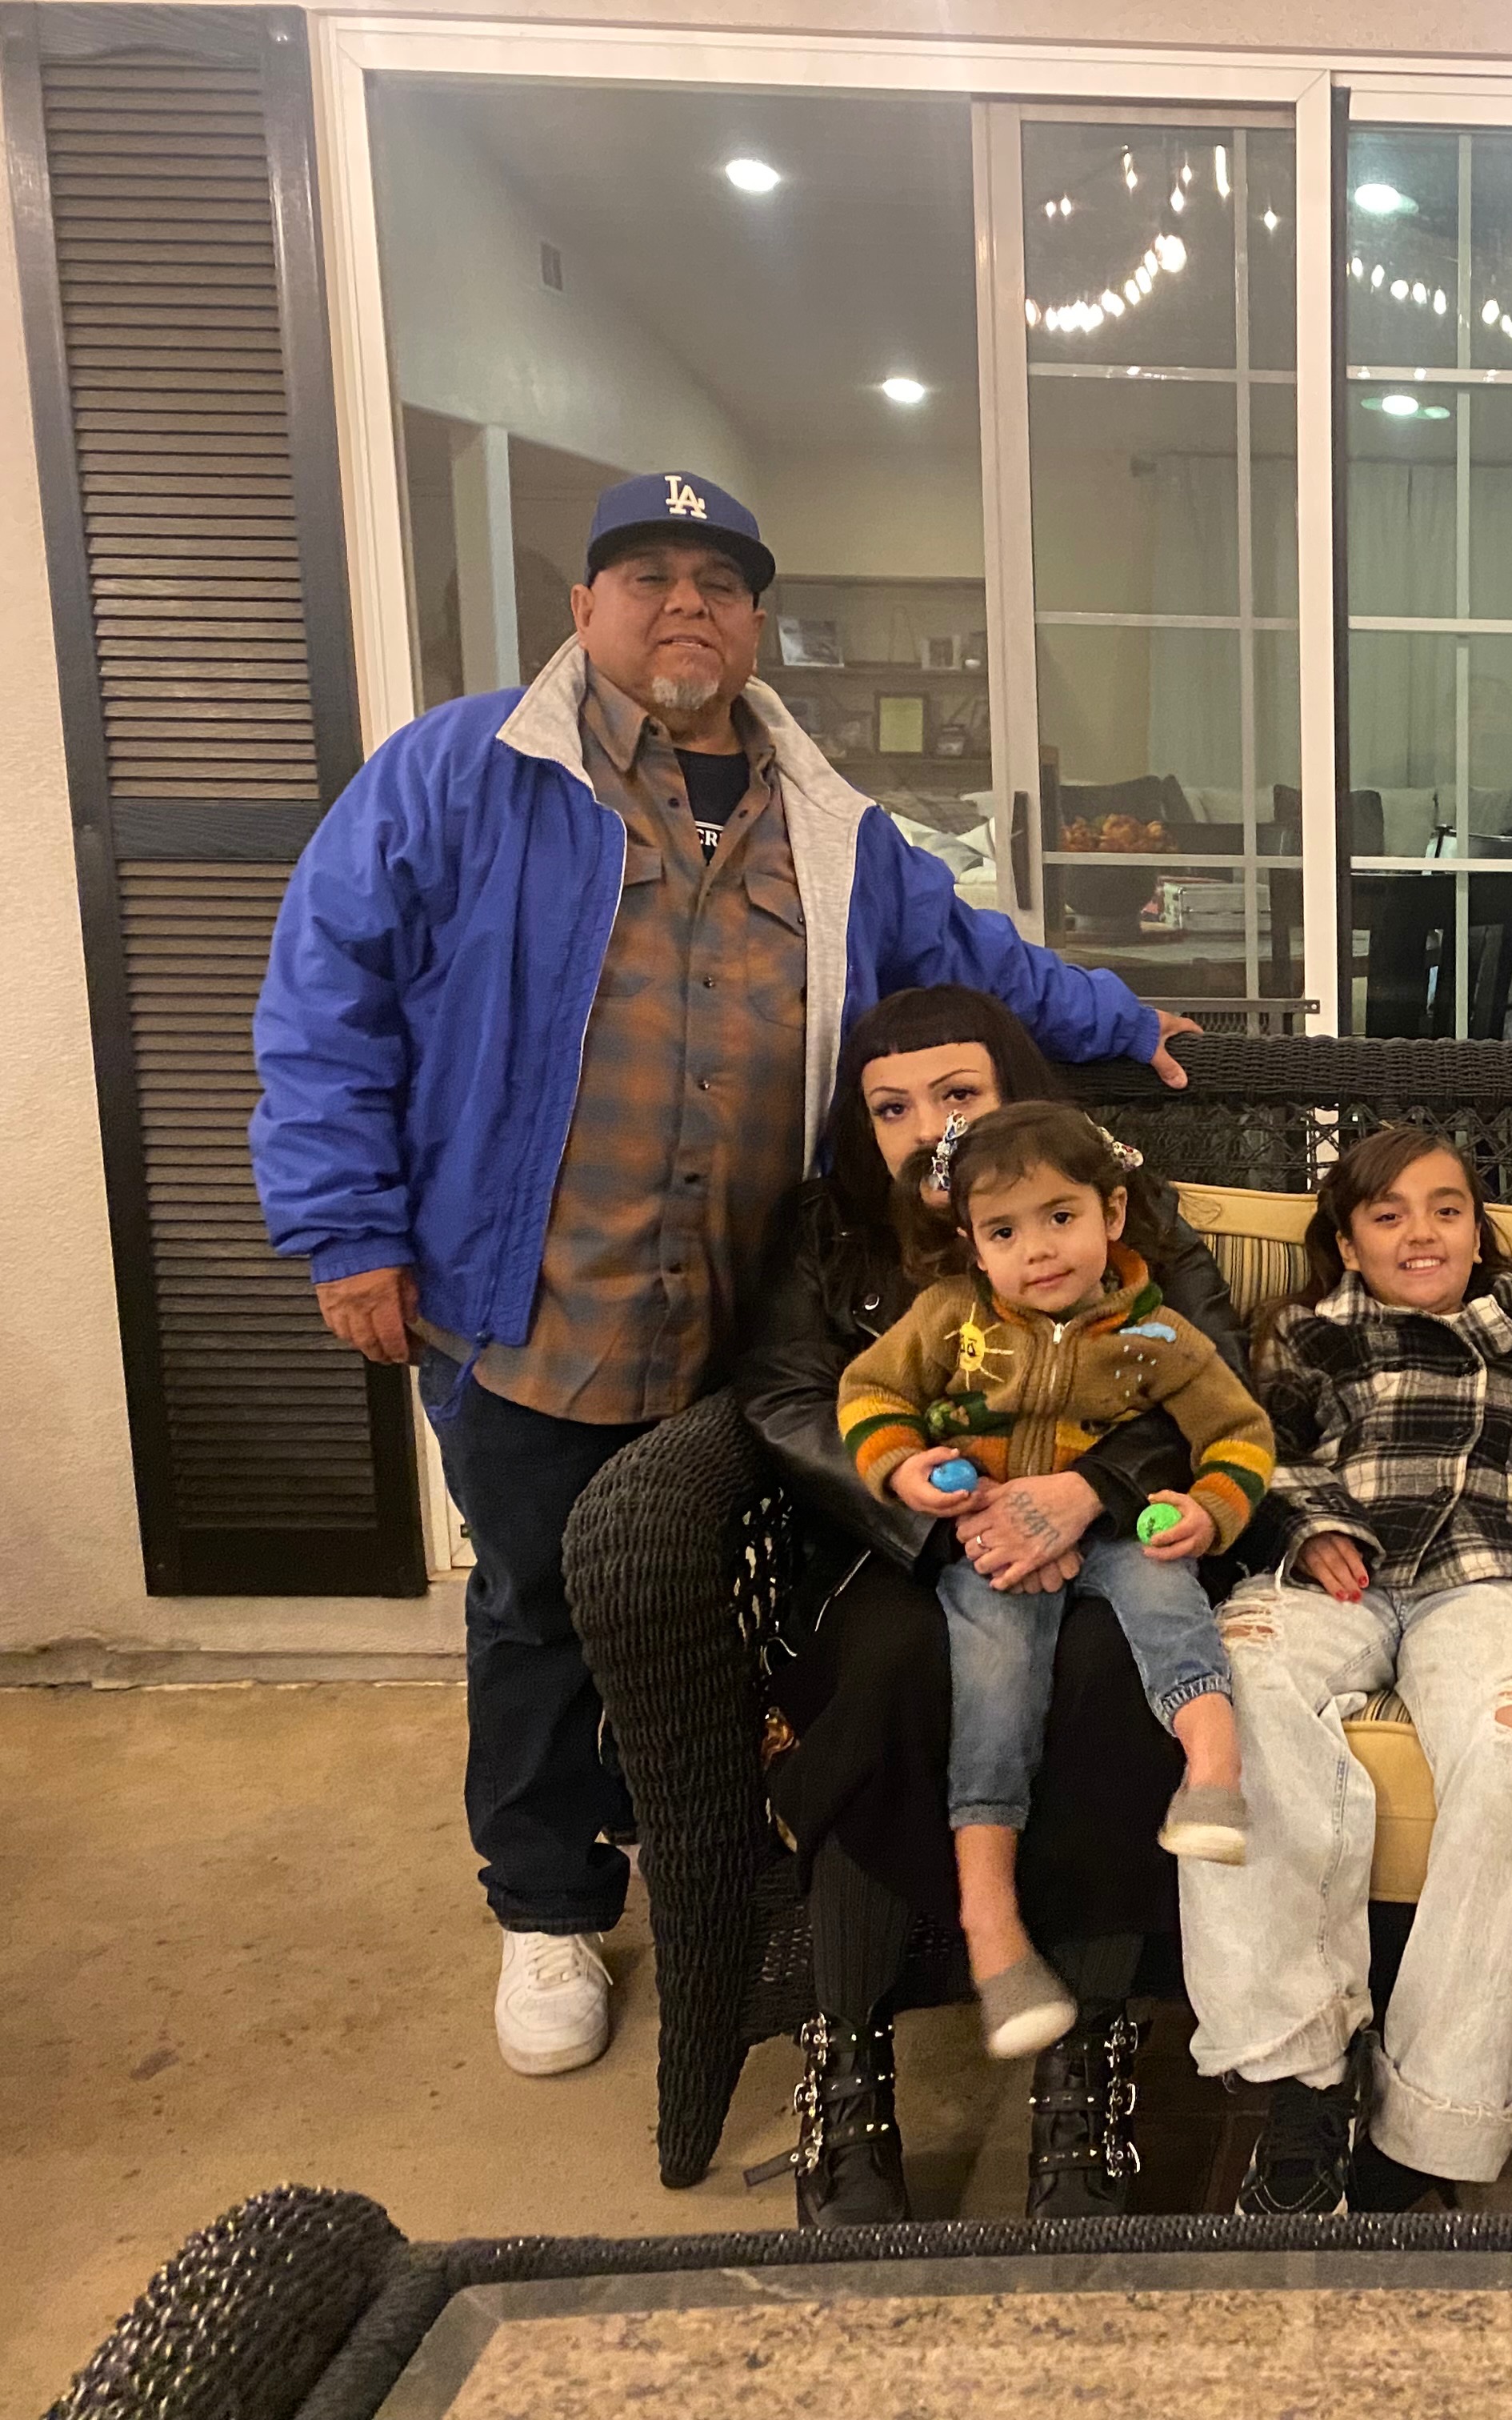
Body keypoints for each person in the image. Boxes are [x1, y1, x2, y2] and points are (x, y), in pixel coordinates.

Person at [249, 469, 1198, 2083]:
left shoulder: (829, 826)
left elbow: (969, 960)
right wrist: (348, 1225)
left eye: (719, 583)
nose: (684, 605)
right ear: (586, 609)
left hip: (734, 1309)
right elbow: (324, 991)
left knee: (708, 1606)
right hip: (525, 1297)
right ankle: (547, 1900)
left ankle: (697, 1844)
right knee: (538, 1600)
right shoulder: (462, 775)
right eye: (648, 576)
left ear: (755, 623)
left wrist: (1118, 1017)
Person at [736, 984, 1243, 2226]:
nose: (927, 1129)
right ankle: (846, 2066)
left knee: (1106, 1676)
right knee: (895, 1673)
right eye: (892, 1108)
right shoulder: (827, 1229)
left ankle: (1085, 2070)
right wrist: (940, 1513)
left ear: (1014, 1093)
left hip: (1105, 1538)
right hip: (894, 1549)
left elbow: (1215, 1381)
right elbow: (790, 1399)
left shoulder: (1115, 1207)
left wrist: (1088, 1493)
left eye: (958, 1094)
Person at [1186, 1128, 1512, 2217]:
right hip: (1341, 1569)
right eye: (1389, 1214)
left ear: (1477, 1231)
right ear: (1348, 1244)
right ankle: (1302, 2077)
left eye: (1446, 1209)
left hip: (1493, 1575)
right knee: (1237, 1689)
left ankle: (1429, 2122)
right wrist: (1308, 1525)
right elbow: (1258, 1455)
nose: (1422, 1233)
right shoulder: (1309, 1335)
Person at [838, 1100, 1274, 2056]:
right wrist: (906, 1471)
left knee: (1169, 1598)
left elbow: (1239, 1434)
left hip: (1111, 1525)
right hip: (992, 1535)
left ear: (1112, 1213)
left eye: (1061, 1217)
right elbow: (870, 1393)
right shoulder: (950, 1317)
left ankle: (1214, 1773)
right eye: (1004, 1231)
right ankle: (990, 1922)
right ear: (972, 1242)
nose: (1037, 1250)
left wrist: (1206, 1511)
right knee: (995, 1687)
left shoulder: (1160, 1334)